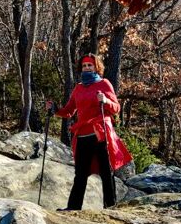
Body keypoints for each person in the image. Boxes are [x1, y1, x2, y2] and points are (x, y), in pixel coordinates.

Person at [46, 54, 131, 211]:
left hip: (100, 133)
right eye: (84, 66)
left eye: (90, 65)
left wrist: (105, 100)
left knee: (106, 172)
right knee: (80, 174)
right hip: (83, 135)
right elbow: (69, 111)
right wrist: (55, 110)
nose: (86, 68)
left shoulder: (104, 84)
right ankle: (73, 208)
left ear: (96, 67)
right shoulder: (78, 88)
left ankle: (110, 207)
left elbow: (116, 108)